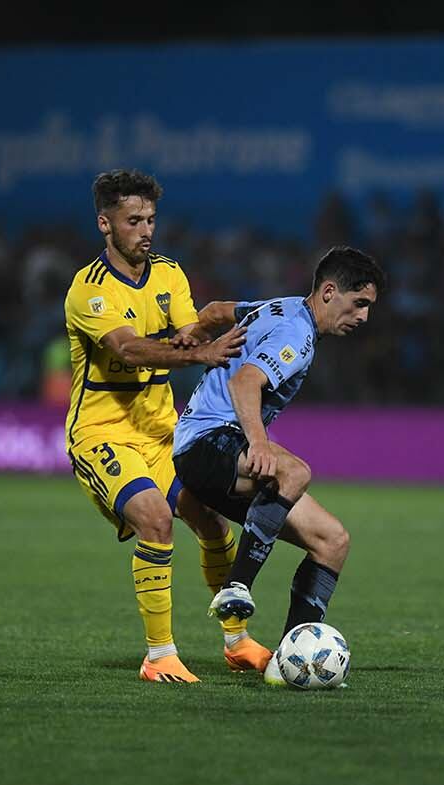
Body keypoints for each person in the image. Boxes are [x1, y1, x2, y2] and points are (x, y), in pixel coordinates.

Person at [64, 168, 265, 685]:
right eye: (134, 220)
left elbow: (185, 334)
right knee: (155, 519)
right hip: (103, 434)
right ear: (105, 224)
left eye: (151, 219)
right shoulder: (89, 291)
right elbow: (128, 348)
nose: (146, 230)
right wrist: (199, 351)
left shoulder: (170, 274)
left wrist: (217, 328)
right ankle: (159, 655)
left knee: (213, 523)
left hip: (161, 433)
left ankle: (237, 641)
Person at [172, 246, 384, 686]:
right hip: (209, 445)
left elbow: (214, 311)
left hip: (209, 447)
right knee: (295, 471)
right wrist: (259, 443)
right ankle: (238, 585)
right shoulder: (297, 335)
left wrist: (192, 336)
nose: (363, 317)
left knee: (332, 541)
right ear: (329, 292)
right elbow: (245, 380)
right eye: (358, 303)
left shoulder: (278, 306)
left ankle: (290, 662)